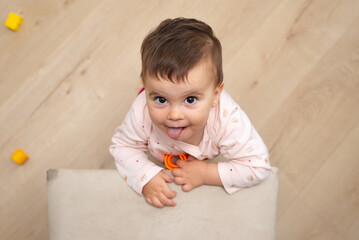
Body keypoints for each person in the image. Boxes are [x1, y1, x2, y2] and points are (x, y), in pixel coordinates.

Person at [110, 18, 271, 208]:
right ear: (146, 90)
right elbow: (121, 147)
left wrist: (205, 173)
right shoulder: (142, 112)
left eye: (190, 99)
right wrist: (145, 176)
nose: (175, 115)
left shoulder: (227, 120)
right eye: (161, 99)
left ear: (215, 96)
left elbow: (258, 167)